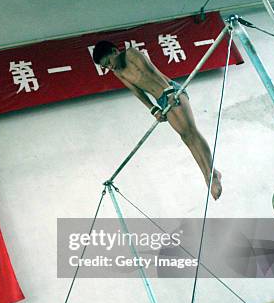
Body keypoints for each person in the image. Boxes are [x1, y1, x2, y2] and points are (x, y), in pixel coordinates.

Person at [92, 40, 222, 200]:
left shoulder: (131, 54)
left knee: (192, 132)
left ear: (114, 51)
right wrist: (153, 110)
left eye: (108, 62)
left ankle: (212, 175)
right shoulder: (118, 72)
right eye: (105, 67)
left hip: (171, 90)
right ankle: (208, 175)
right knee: (186, 137)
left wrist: (169, 93)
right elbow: (137, 91)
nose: (109, 67)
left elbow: (151, 71)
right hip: (161, 100)